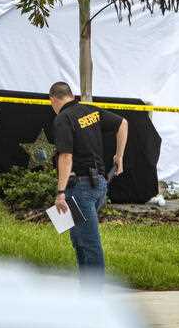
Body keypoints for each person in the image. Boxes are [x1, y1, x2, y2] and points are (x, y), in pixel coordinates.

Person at [49, 81, 128, 278]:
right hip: (99, 183)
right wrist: (119, 156)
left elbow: (66, 157)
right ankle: (87, 293)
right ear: (71, 95)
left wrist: (60, 192)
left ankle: (94, 297)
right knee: (79, 239)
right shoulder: (90, 110)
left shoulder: (63, 119)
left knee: (88, 242)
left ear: (53, 99)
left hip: (79, 187)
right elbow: (123, 123)